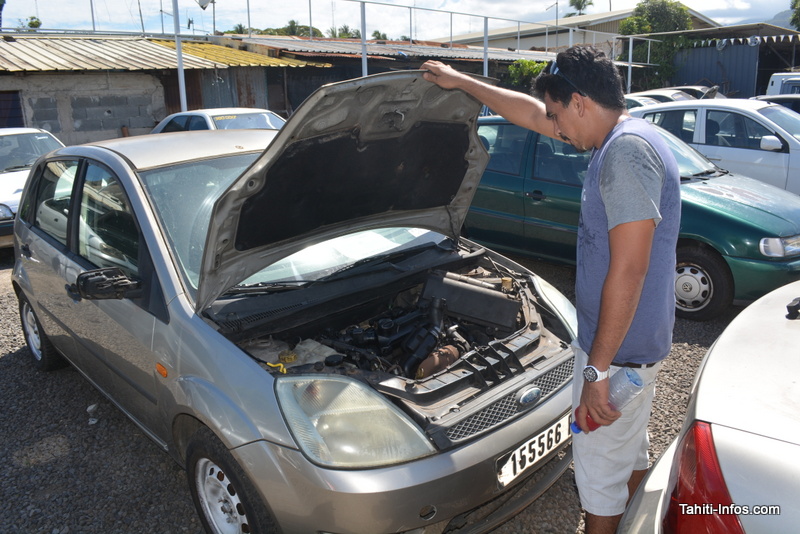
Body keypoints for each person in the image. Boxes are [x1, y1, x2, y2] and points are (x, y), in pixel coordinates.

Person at [421, 46, 680, 534]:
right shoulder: (625, 135)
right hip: (633, 349)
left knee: (598, 473)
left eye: (560, 115)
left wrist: (597, 371)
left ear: (581, 101)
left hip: (618, 354)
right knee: (627, 451)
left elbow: (630, 271)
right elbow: (532, 113)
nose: (556, 130)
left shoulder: (624, 154)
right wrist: (462, 81)